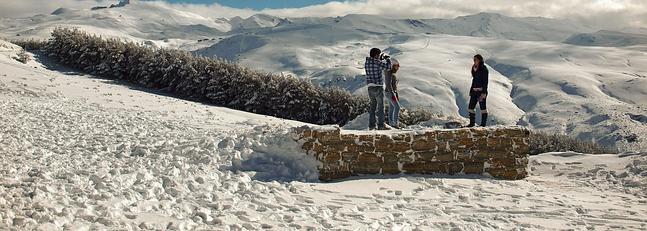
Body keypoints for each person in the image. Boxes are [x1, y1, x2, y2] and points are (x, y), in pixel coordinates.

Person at [364, 48, 392, 130]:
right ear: (376, 55)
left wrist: (380, 59)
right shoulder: (377, 62)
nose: (379, 56)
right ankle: (381, 125)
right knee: (380, 107)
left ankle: (372, 125)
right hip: (378, 86)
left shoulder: (367, 62)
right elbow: (388, 67)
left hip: (370, 87)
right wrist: (387, 59)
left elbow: (375, 64)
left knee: (372, 107)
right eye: (378, 55)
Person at [466, 54, 489, 127]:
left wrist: (484, 92)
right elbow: (474, 80)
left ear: (479, 60)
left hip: (481, 91)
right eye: (474, 59)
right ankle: (472, 123)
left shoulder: (484, 69)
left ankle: (483, 124)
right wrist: (471, 90)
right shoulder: (474, 68)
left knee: (483, 108)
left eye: (475, 59)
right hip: (474, 91)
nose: (474, 61)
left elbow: (485, 81)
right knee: (470, 107)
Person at [384, 58, 401, 128]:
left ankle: (391, 123)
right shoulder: (389, 73)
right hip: (390, 92)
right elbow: (388, 84)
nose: (397, 68)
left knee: (392, 108)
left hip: (390, 92)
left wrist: (395, 93)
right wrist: (392, 94)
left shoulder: (391, 73)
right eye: (396, 66)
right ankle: (395, 124)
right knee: (397, 107)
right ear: (392, 66)